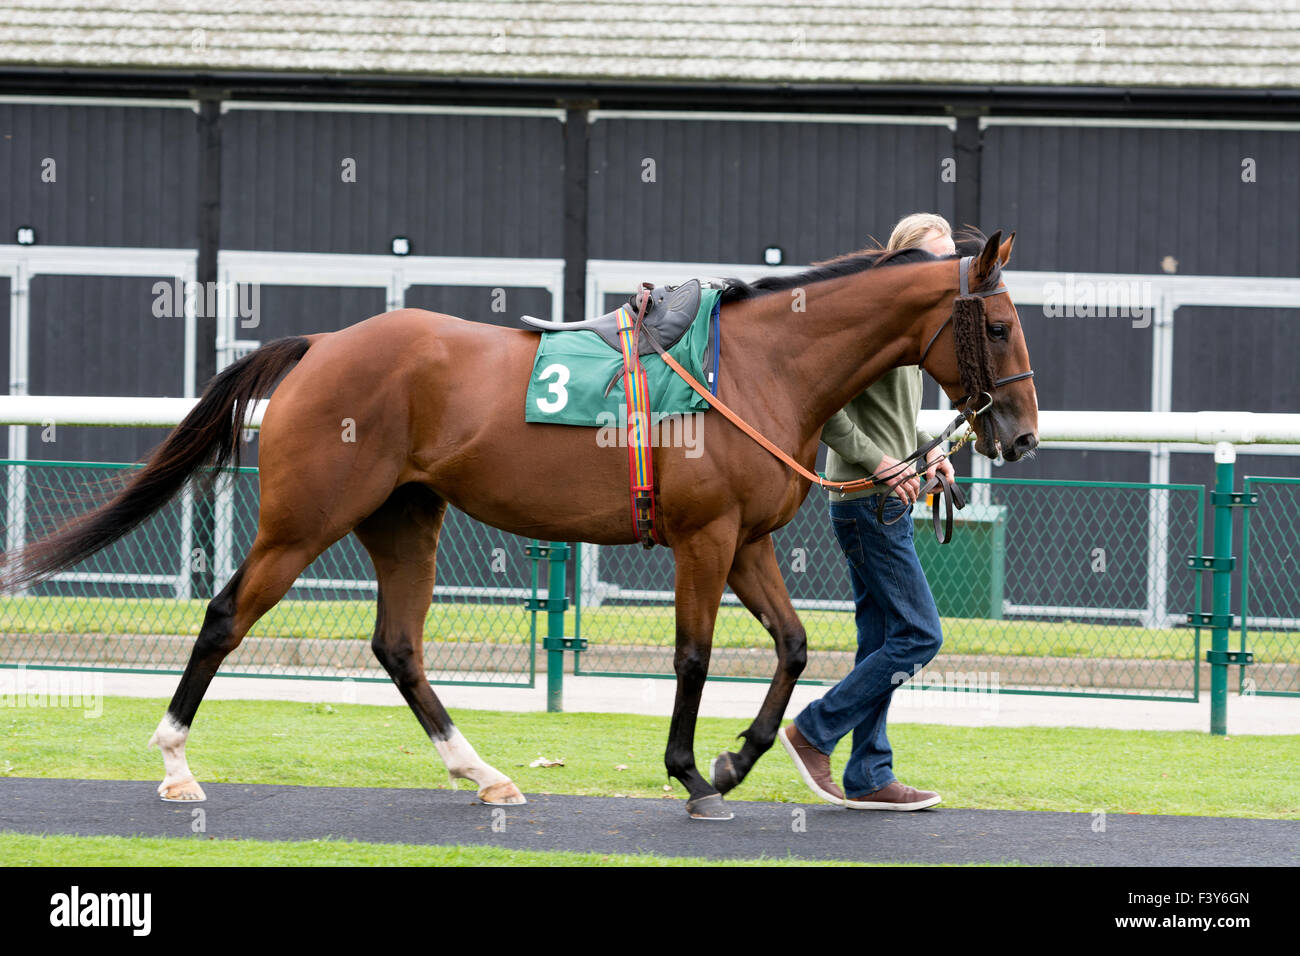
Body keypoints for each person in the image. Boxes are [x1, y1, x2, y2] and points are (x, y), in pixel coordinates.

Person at [779, 212, 957, 811]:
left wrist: (927, 455)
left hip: (887, 499)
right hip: (864, 501)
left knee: (880, 640)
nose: (947, 271)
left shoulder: (911, 326)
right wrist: (882, 464)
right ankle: (812, 731)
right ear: (907, 263)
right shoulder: (866, 323)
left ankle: (869, 775)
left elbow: (893, 422)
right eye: (937, 259)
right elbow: (823, 408)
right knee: (919, 634)